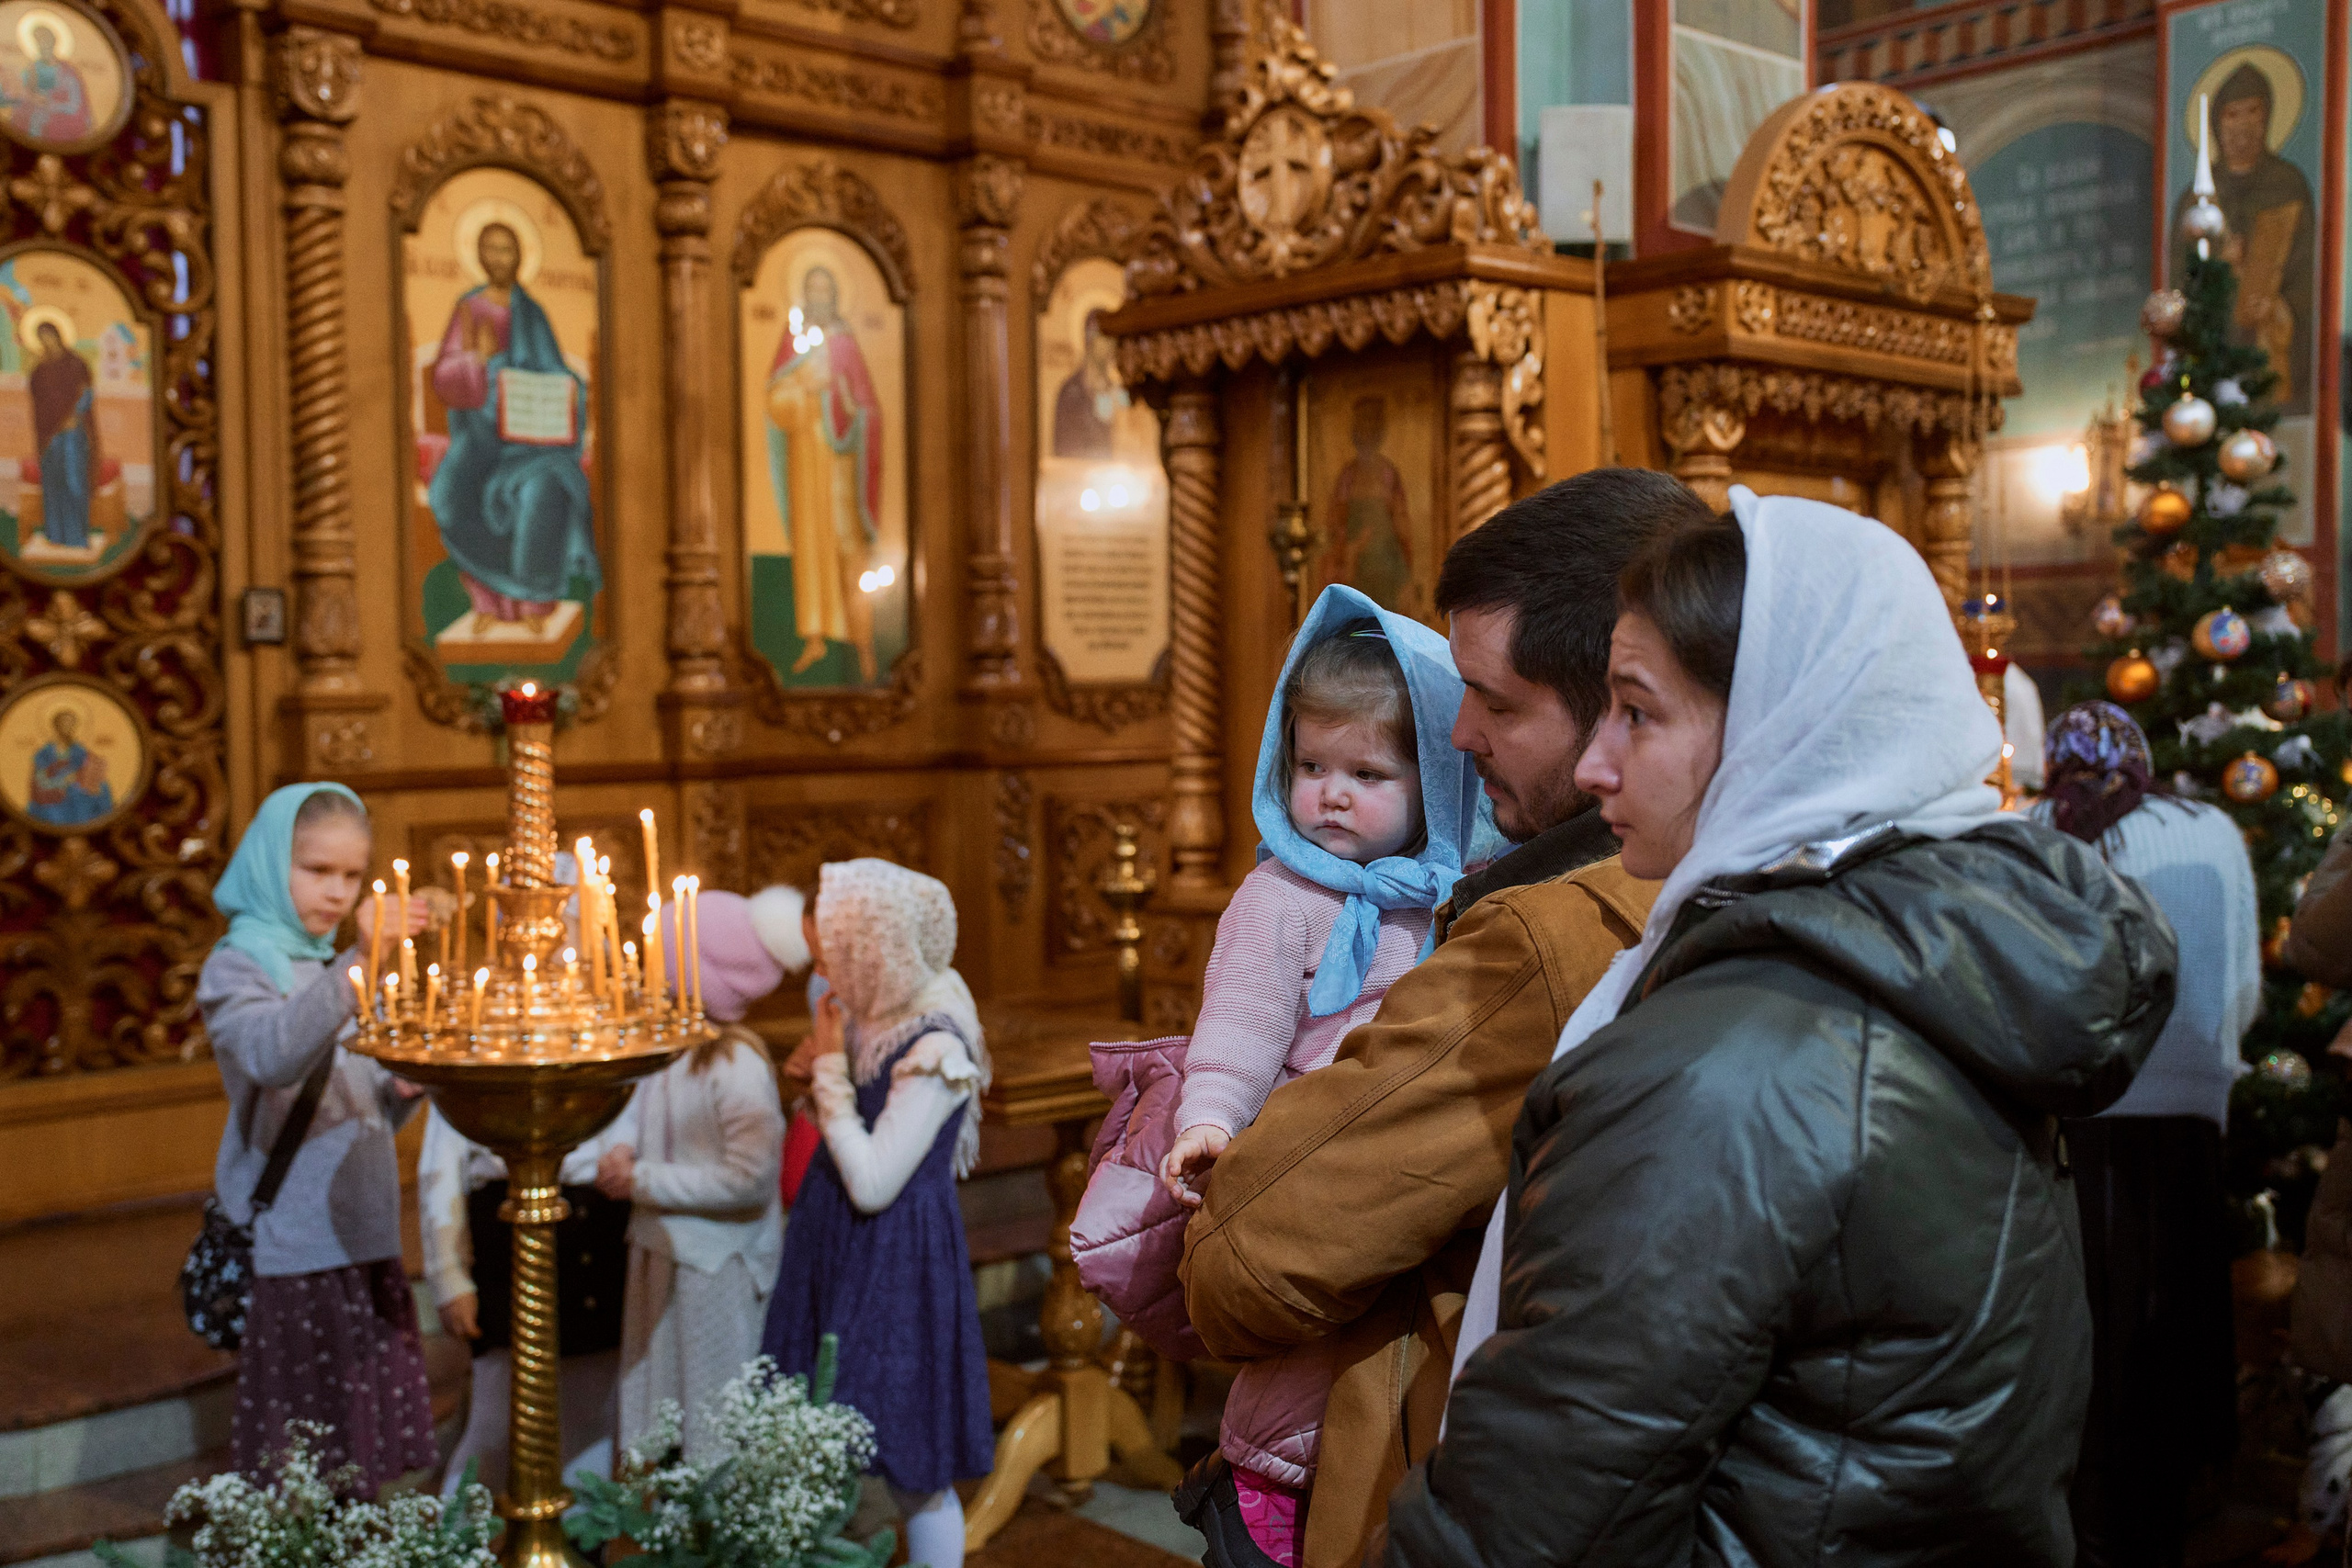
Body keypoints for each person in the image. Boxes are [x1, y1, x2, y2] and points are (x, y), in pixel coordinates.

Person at [1385, 490, 2177, 1566]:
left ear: (1776, 725)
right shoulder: (1926, 956)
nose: (1594, 767)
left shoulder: (1727, 1070)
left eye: (1639, 712)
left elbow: (1531, 1522)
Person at [1177, 468, 1711, 1568]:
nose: (1455, 733)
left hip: (1419, 1481)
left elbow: (1249, 1262)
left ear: (1617, 702)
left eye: (1498, 702)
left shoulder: (1545, 935)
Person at [1073, 584, 1500, 1567]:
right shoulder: (1283, 895)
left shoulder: (1443, 896)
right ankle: (1263, 1493)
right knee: (1301, 1346)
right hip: (1302, 1151)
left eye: (1367, 771)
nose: (1332, 794)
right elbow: (1237, 1025)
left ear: (1436, 780)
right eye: (1310, 765)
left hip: (1398, 1151)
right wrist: (1213, 1119)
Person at [2030, 701, 2256, 1568]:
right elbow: (2240, 988)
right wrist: (2207, 1064)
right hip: (2188, 1104)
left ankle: (2084, 1506)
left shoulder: (2024, 830)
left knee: (2084, 1308)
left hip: (2074, 1109)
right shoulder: (2213, 832)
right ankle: (2182, 1495)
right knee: (2178, 1298)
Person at [199, 783, 435, 1493]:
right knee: (307, 1470)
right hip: (296, 1250)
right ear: (273, 864)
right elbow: (273, 1055)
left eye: (353, 875)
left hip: (363, 1236)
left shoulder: (336, 967)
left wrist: (402, 1093)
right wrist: (359, 963)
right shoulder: (240, 965)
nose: (337, 892)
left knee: (364, 1463)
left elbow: (355, 1106)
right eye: (317, 870)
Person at [760, 859, 993, 1568]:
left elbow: (873, 1179)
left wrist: (830, 1069)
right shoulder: (870, 1013)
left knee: (911, 1461)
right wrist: (812, 1080)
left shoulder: (935, 1044)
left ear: (877, 944)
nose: (822, 961)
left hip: (897, 1259)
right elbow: (846, 1132)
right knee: (813, 1438)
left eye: (833, 945)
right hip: (836, 1247)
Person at [607, 888, 799, 1461]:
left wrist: (641, 1180)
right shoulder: (668, 1049)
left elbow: (749, 1179)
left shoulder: (736, 1066)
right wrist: (618, 1152)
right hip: (662, 1256)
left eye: (657, 957)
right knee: (657, 1415)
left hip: (716, 1268)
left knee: (713, 1424)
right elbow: (633, 1115)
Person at [421, 1094, 637, 1497]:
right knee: (497, 1420)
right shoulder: (478, 1039)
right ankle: (461, 1547)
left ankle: (579, 1542)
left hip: (597, 1231)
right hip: (506, 1234)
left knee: (594, 1415)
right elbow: (439, 1170)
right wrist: (448, 1276)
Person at [426, 220, 599, 636]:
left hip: (535, 439)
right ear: (481, 257)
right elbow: (445, 376)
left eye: (508, 250)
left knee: (545, 489)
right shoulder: (470, 309)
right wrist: (479, 362)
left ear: (520, 256)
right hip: (483, 437)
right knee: (456, 496)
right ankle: (489, 602)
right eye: (493, 250)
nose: (501, 258)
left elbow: (554, 370)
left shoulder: (532, 311)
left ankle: (533, 603)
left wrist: (571, 388)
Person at [2170, 60, 2316, 411]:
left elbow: (2308, 275)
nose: (2243, 126)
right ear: (2217, 123)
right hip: (2212, 369)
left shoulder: (2288, 186)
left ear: (2267, 119)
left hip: (2272, 352)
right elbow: (2178, 283)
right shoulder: (2196, 200)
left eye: (2253, 112)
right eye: (2232, 115)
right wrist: (2221, 266)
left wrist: (2279, 307)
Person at [766, 265, 886, 681]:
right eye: (811, 290)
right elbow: (774, 400)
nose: (819, 298)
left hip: (840, 465)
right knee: (810, 548)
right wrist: (803, 392)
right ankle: (814, 638)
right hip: (804, 455)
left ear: (835, 296)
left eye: (825, 290)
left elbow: (869, 407)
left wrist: (851, 409)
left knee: (849, 549)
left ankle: (864, 644)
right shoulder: (791, 340)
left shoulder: (847, 345)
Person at [1322, 397, 1413, 614]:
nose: (1368, 428)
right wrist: (1351, 549)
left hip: (1387, 568)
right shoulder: (1348, 476)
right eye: (1363, 423)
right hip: (1355, 566)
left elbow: (1401, 524)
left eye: (1373, 422)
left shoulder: (1388, 473)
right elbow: (1336, 522)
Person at [27, 319, 95, 549]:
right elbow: (38, 402)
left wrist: (74, 416)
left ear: (57, 336)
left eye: (49, 336)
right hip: (48, 436)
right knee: (53, 484)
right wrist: (49, 425)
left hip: (72, 433)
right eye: (41, 338)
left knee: (73, 482)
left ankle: (77, 537)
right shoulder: (39, 370)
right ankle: (55, 536)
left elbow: (86, 393)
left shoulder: (75, 363)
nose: (46, 342)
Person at [28, 704, 110, 826]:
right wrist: (64, 781)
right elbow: (40, 782)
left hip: (78, 788)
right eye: (65, 724)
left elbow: (89, 770)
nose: (69, 727)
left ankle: (105, 823)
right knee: (76, 796)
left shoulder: (80, 751)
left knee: (104, 788)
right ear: (56, 726)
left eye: (72, 724)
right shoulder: (44, 754)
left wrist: (93, 778)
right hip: (51, 794)